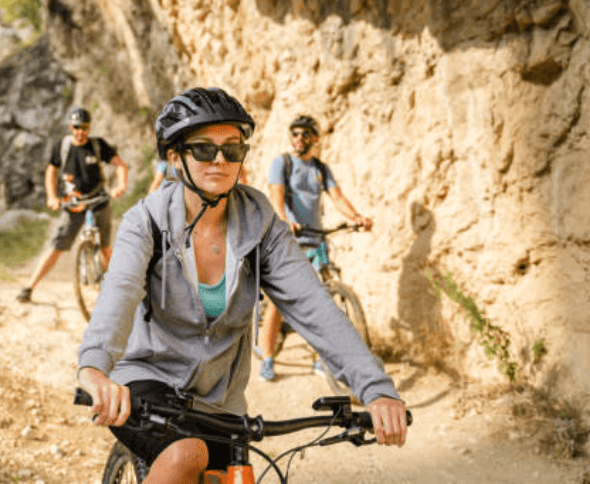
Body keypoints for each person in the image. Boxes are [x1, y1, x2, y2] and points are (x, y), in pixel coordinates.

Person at [76, 88, 407, 484]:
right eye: (203, 149)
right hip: (147, 383)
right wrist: (95, 369)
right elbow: (119, 294)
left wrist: (376, 389)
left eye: (232, 149)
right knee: (185, 455)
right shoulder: (146, 221)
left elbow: (313, 305)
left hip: (221, 402)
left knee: (240, 478)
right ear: (174, 156)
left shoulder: (261, 224)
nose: (220, 160)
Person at [257, 114, 374, 381]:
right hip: (288, 238)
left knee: (323, 297)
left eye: (305, 134)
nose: (299, 139)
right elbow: (277, 196)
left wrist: (355, 217)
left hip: (316, 239)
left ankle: (321, 358)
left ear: (315, 139)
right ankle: (267, 357)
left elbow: (338, 197)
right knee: (280, 299)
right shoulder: (282, 163)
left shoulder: (320, 169)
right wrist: (286, 220)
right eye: (295, 134)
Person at [17, 107, 128, 302]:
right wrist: (51, 196)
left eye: (84, 127)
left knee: (106, 248)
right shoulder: (63, 146)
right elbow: (51, 171)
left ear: (89, 127)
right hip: (74, 204)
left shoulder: (97, 145)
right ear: (71, 127)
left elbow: (120, 164)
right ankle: (29, 287)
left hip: (98, 201)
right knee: (56, 247)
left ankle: (118, 292)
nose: (80, 131)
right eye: (76, 127)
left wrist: (121, 185)